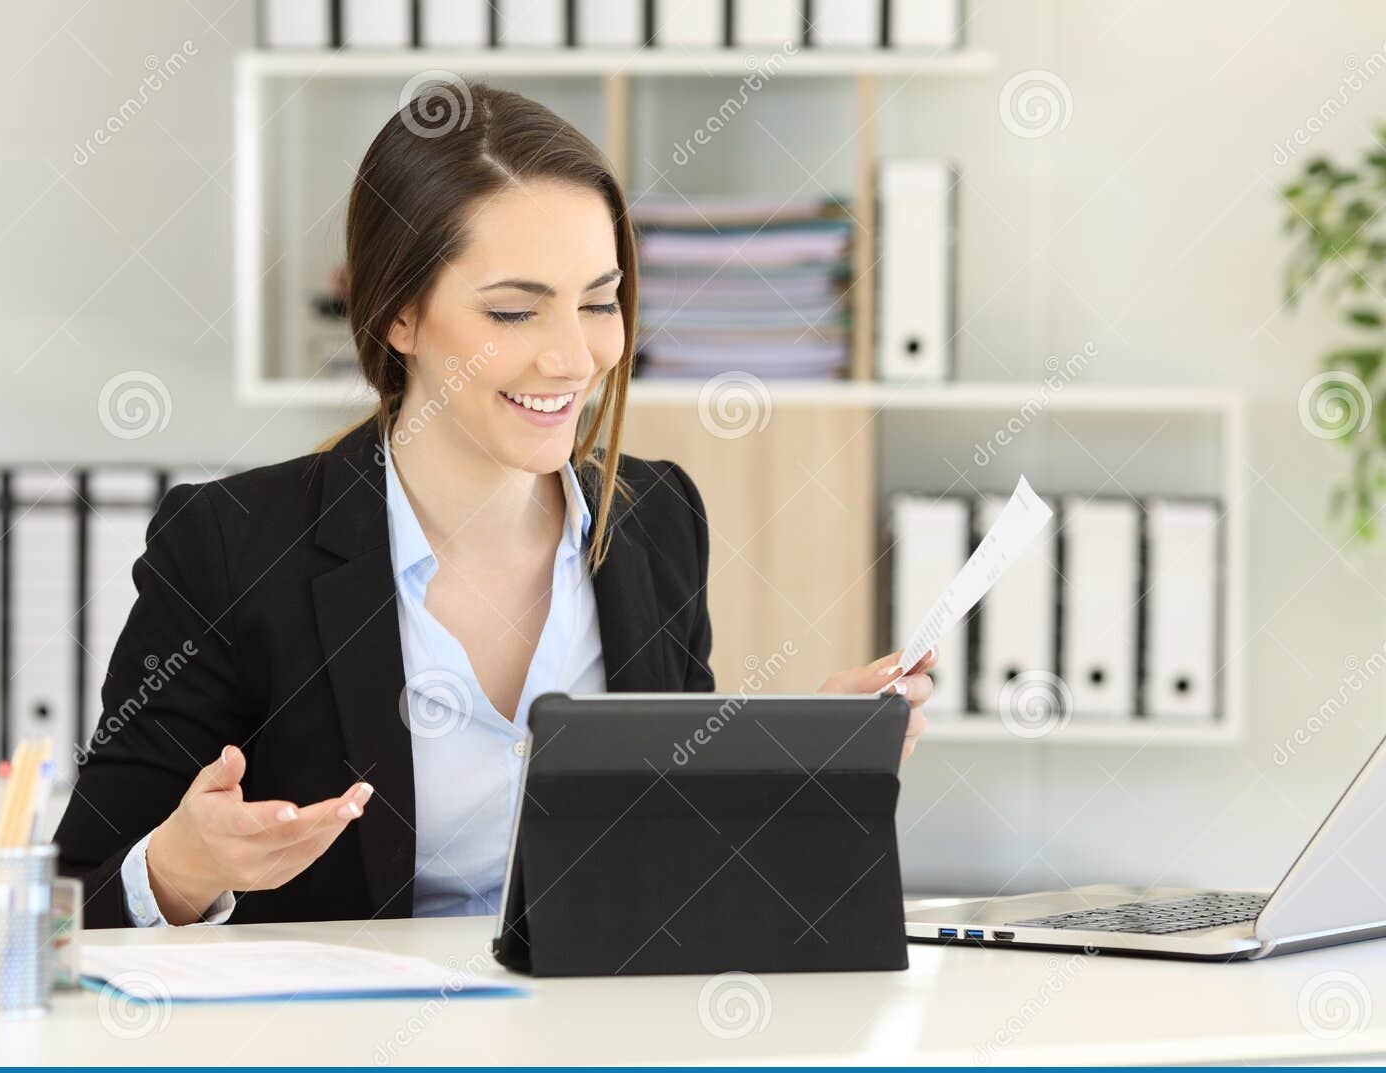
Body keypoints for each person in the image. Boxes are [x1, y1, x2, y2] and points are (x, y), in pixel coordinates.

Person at [53, 83, 935, 929]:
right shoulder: (234, 546)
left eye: (600, 302)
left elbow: (674, 872)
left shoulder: (658, 520)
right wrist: (181, 870)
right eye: (515, 312)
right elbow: (69, 900)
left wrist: (796, 776)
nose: (574, 358)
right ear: (398, 314)